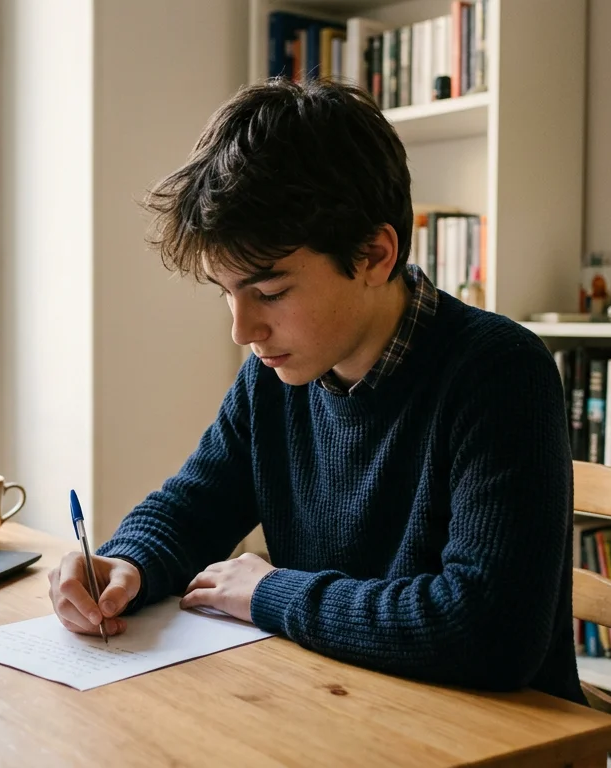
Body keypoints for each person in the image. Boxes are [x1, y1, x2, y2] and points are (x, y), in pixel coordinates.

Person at [46, 77, 583, 704]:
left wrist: (271, 592)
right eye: (227, 293)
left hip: (496, 731)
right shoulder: (275, 376)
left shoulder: (500, 372)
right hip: (340, 703)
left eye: (270, 292)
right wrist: (126, 563)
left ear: (374, 255)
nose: (242, 330)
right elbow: (195, 506)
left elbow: (489, 630)